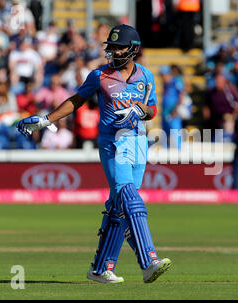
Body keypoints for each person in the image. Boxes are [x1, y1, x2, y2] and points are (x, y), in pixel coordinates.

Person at [16, 24, 171, 284]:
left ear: (133, 50)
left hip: (138, 143)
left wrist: (140, 110)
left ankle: (100, 269)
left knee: (119, 207)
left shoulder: (146, 76)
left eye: (118, 47)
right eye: (110, 47)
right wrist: (47, 119)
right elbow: (77, 99)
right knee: (130, 197)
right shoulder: (99, 75)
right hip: (113, 143)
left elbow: (153, 109)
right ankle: (149, 261)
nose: (113, 51)